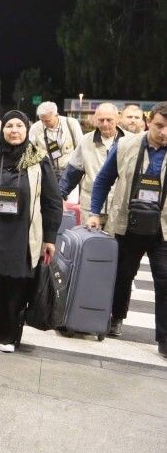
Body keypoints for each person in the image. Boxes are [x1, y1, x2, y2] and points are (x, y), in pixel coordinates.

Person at [0, 111, 60, 352]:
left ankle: (8, 335)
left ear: (27, 129)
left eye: (20, 125)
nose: (14, 130)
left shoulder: (38, 159)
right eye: (9, 125)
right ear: (2, 129)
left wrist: (50, 238)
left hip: (22, 234)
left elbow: (52, 201)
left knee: (16, 283)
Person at [87, 101, 167, 357]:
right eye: (159, 126)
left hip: (163, 228)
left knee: (165, 281)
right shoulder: (125, 145)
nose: (164, 132)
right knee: (123, 275)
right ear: (148, 122)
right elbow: (103, 180)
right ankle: (116, 317)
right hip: (127, 223)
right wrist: (95, 213)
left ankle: (165, 338)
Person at [60, 103, 129, 232]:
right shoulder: (86, 141)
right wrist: (60, 194)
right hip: (90, 208)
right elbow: (72, 173)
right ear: (95, 120)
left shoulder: (130, 141)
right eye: (101, 120)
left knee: (117, 244)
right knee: (91, 243)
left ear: (117, 119)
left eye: (109, 120)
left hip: (119, 208)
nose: (105, 124)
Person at [29, 101, 83, 180]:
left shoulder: (71, 123)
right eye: (41, 120)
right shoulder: (35, 127)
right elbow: (30, 151)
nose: (44, 123)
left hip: (70, 171)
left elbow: (81, 147)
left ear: (57, 115)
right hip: (47, 173)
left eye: (47, 120)